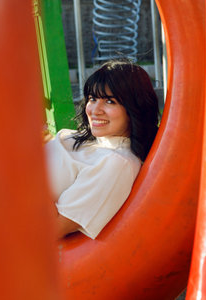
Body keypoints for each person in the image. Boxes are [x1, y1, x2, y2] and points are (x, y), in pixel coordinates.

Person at [45, 59, 160, 239]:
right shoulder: (79, 139)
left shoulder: (116, 163)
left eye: (109, 101)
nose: (95, 110)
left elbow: (51, 228)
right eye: (92, 99)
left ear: (134, 108)